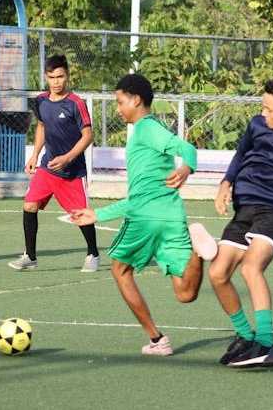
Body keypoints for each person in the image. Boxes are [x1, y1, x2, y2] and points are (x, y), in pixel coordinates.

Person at [72, 73, 217, 356]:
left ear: (136, 100)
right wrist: (97, 214)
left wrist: (186, 168)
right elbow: (144, 192)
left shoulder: (146, 128)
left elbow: (186, 148)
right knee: (185, 293)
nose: (117, 109)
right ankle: (197, 253)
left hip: (145, 219)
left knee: (120, 270)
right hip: (171, 215)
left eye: (120, 102)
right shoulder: (148, 130)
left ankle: (157, 339)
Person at [192, 77, 273, 368]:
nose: (263, 113)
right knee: (218, 273)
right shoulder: (257, 126)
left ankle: (266, 344)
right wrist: (225, 183)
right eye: (262, 107)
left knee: (251, 267)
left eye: (268, 109)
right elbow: (240, 155)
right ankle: (244, 336)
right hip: (245, 210)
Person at [7, 55, 100, 272]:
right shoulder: (41, 101)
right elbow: (42, 126)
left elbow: (88, 136)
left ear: (67, 76)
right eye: (51, 77)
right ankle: (30, 256)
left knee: (80, 214)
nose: (56, 82)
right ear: (46, 77)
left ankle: (93, 253)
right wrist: (34, 155)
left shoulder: (76, 103)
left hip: (72, 172)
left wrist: (67, 158)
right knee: (29, 205)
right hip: (47, 167)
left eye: (60, 76)